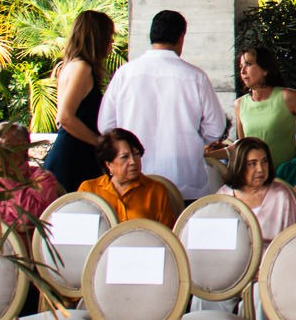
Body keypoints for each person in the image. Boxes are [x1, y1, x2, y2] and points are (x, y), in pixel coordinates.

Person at [96, 10, 227, 200]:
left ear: (151, 35)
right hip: (184, 180)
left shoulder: (125, 74)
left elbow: (105, 126)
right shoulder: (195, 77)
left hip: (134, 181)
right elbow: (215, 129)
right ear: (181, 37)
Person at [42, 9, 114, 195]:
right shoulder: (81, 68)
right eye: (109, 36)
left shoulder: (72, 65)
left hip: (76, 154)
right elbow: (65, 117)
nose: (112, 42)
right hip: (73, 157)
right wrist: (99, 142)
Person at [0, 121, 62, 230]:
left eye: (3, 144)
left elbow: (28, 217)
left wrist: (4, 174)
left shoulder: (42, 179)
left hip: (27, 245)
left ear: (23, 146)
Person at [232, 46, 296, 171]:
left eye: (249, 64)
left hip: (287, 176)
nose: (243, 71)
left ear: (265, 70)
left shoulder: (287, 97)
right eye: (241, 67)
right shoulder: (240, 104)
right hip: (255, 177)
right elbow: (242, 147)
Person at [79, 128, 176, 226]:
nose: (133, 162)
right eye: (125, 157)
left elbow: (166, 236)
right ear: (109, 164)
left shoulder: (156, 190)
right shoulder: (89, 190)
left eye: (136, 154)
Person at [219, 136, 296, 242]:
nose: (260, 169)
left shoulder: (281, 195)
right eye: (252, 164)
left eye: (264, 161)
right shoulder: (224, 196)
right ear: (239, 166)